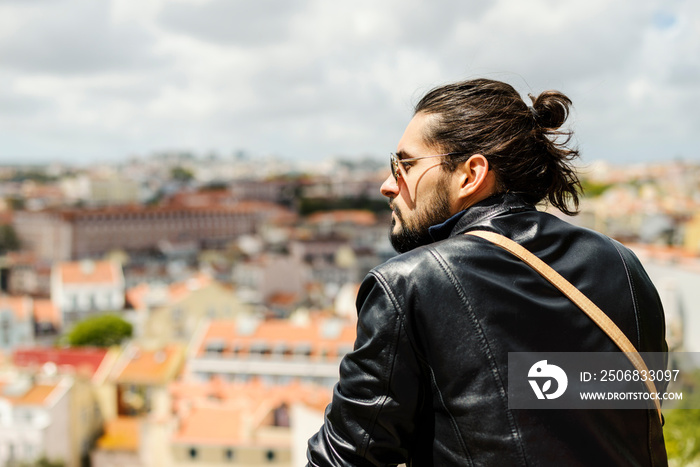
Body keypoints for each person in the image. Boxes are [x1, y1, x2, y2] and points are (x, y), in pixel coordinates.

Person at [306, 78, 668, 466]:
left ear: (470, 174)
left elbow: (344, 458)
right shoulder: (623, 265)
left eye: (404, 165)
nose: (387, 185)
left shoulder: (409, 284)